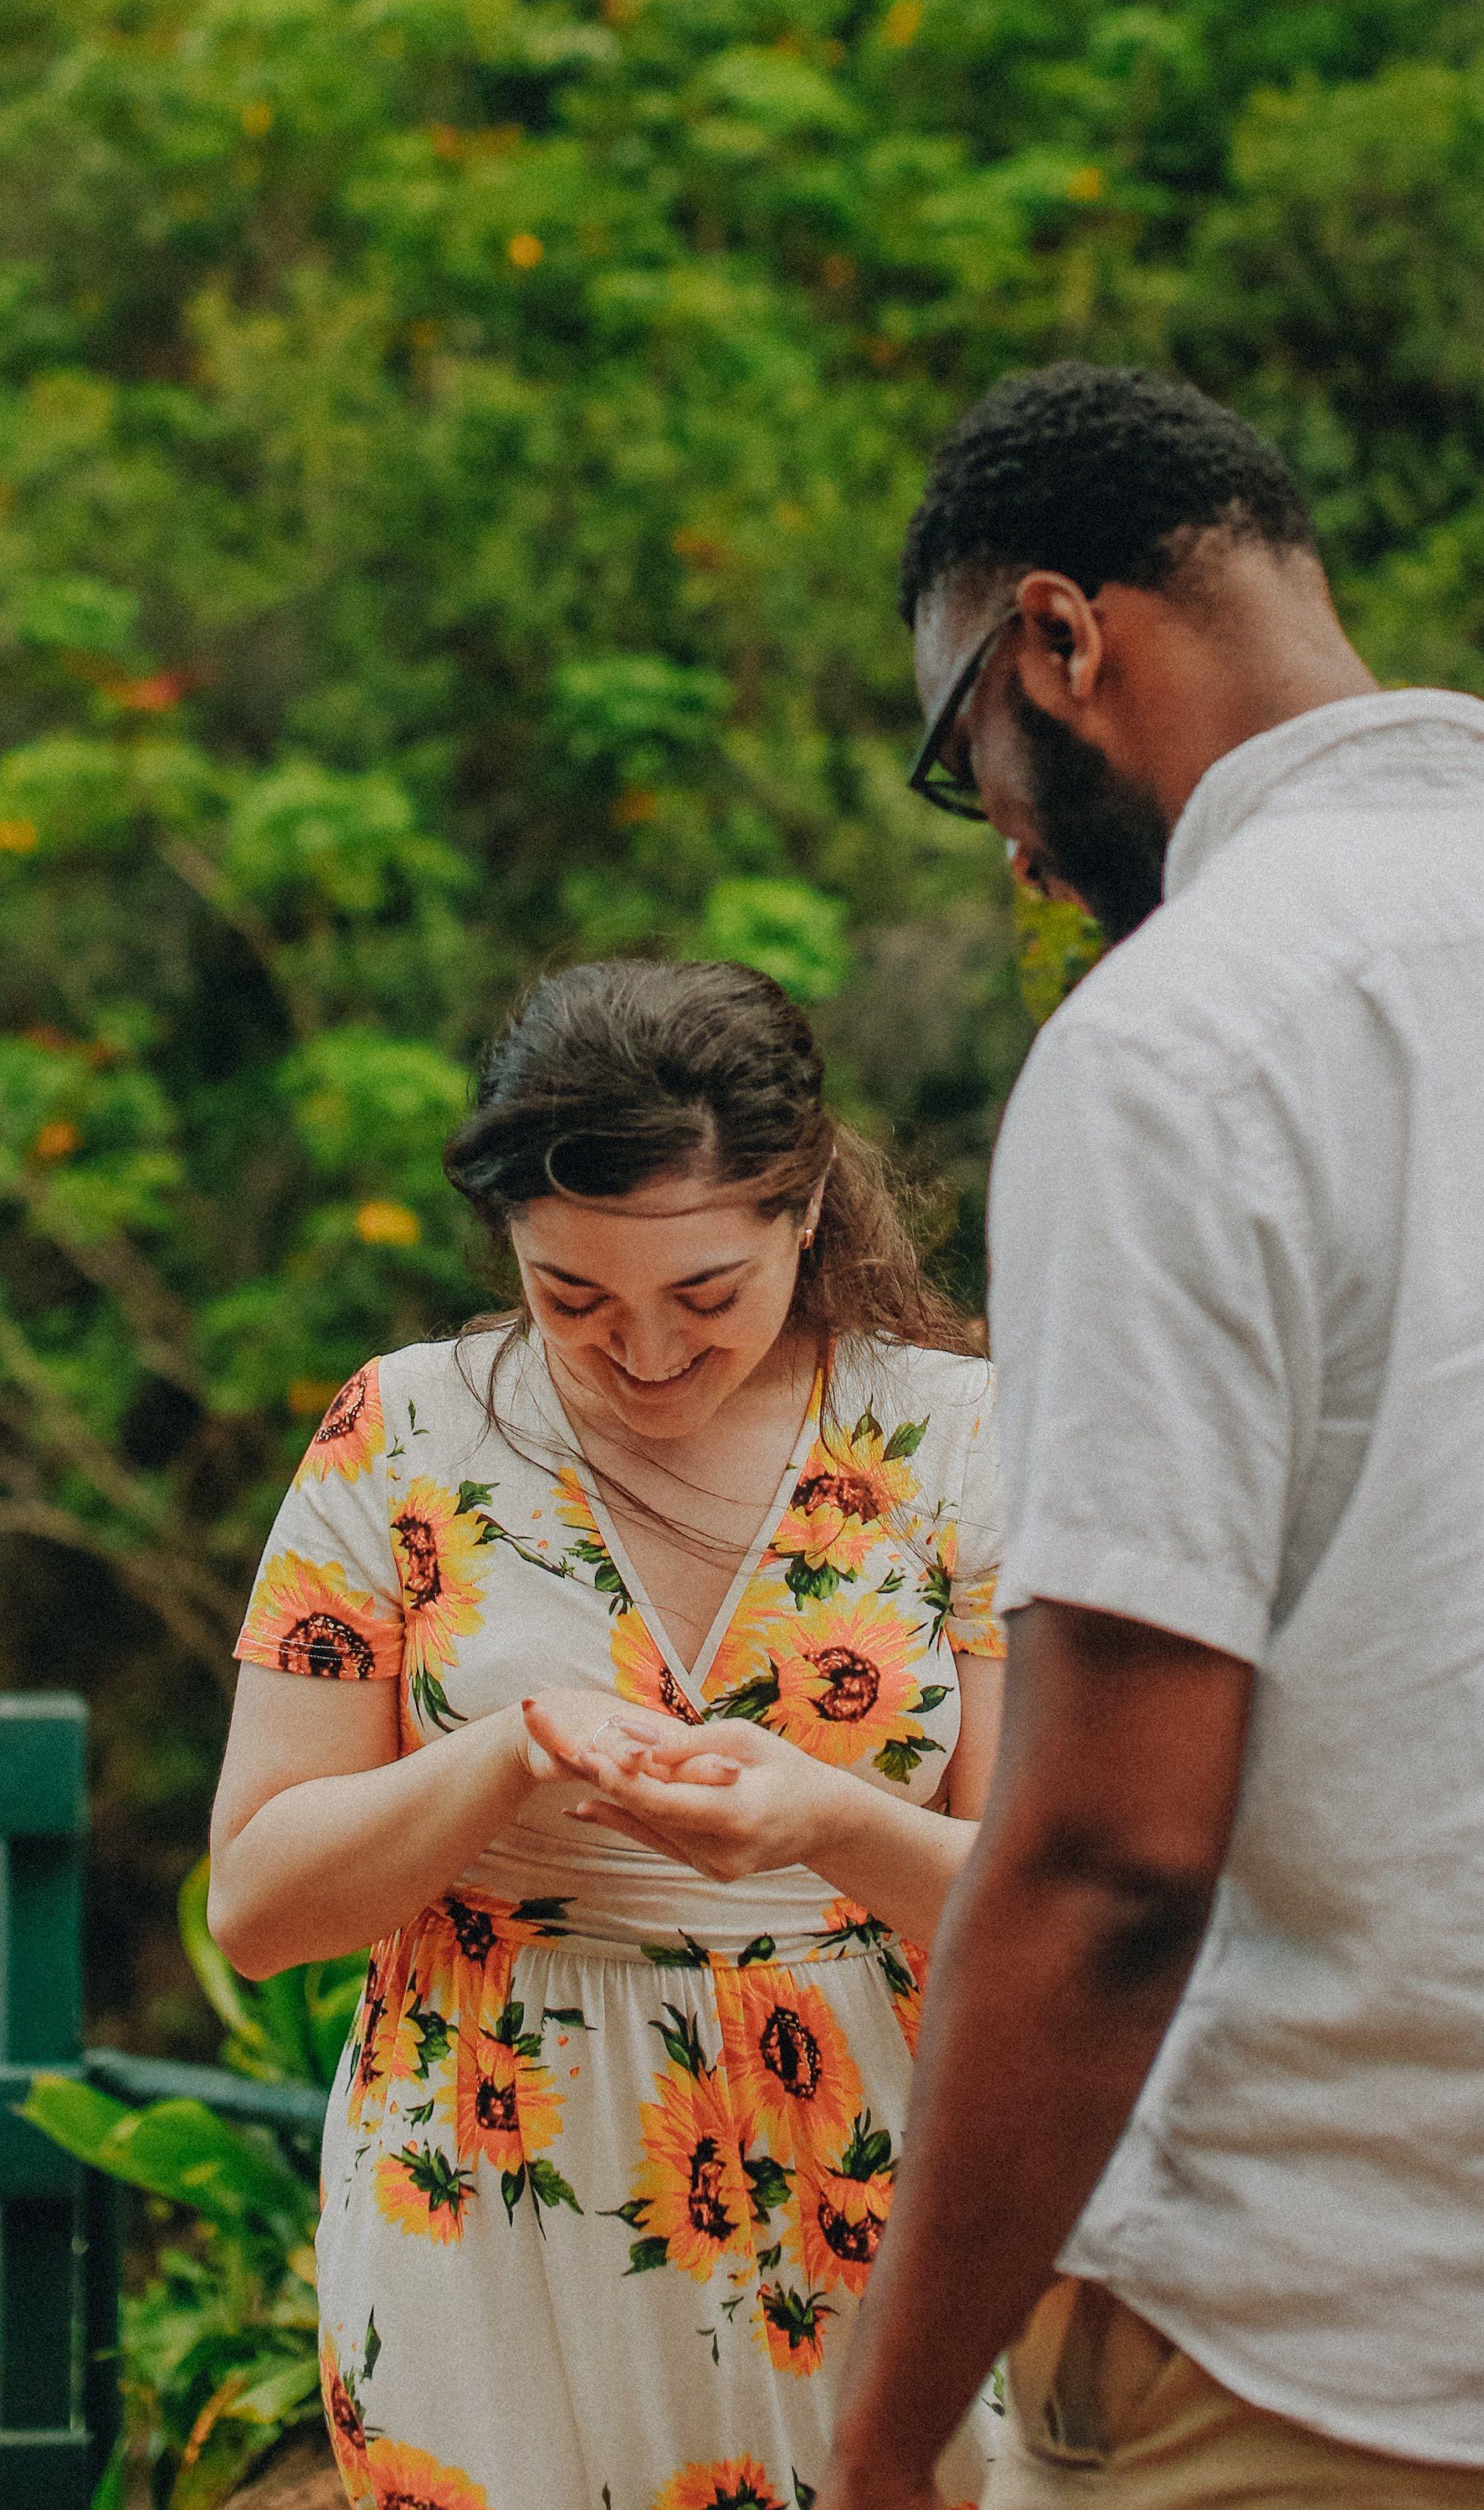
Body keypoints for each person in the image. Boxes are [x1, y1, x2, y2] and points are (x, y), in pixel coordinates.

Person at [823, 364, 1484, 2510]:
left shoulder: (1169, 1049)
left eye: (969, 761)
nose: (1011, 843)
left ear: (1057, 637)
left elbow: (1112, 1855)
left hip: (1321, 2355)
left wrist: (877, 2438)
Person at [208, 956, 1011, 2510]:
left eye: (705, 1295)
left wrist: (830, 1822)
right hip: (489, 2193)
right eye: (570, 1297)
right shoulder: (400, 1436)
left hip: (888, 2188)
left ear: (803, 1213)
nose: (643, 1353)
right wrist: (506, 1751)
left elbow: (1048, 1899)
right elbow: (256, 1905)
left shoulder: (958, 1439)